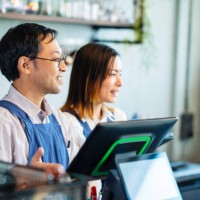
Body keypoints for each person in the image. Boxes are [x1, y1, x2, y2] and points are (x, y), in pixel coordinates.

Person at [0, 23, 85, 182]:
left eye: (63, 58)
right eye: (56, 59)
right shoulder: (4, 122)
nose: (64, 67)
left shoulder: (61, 119)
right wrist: (26, 183)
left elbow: (75, 179)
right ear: (25, 65)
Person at [60, 42, 127, 197]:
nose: (120, 83)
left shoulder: (118, 117)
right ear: (89, 77)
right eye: (112, 74)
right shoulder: (66, 122)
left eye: (120, 74)